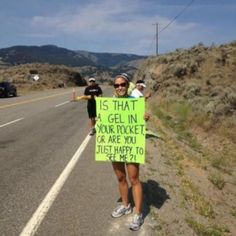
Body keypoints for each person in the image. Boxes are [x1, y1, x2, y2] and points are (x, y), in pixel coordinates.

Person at [111, 74, 148, 231]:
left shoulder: (135, 102)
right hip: (115, 144)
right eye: (116, 85)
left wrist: (144, 117)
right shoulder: (109, 103)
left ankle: (138, 213)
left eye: (122, 84)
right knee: (120, 177)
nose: (120, 87)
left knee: (134, 178)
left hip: (131, 144)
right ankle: (126, 205)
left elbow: (140, 119)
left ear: (128, 86)